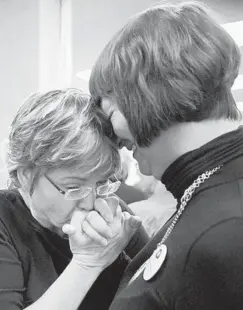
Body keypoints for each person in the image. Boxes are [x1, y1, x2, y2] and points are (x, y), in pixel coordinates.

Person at [89, 1, 243, 309]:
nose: (113, 138)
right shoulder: (203, 190)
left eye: (111, 110)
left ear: (149, 93)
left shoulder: (228, 226)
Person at [0, 89, 148, 310]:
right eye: (73, 188)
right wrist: (87, 264)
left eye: (102, 184)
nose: (89, 202)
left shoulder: (114, 216)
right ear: (25, 174)